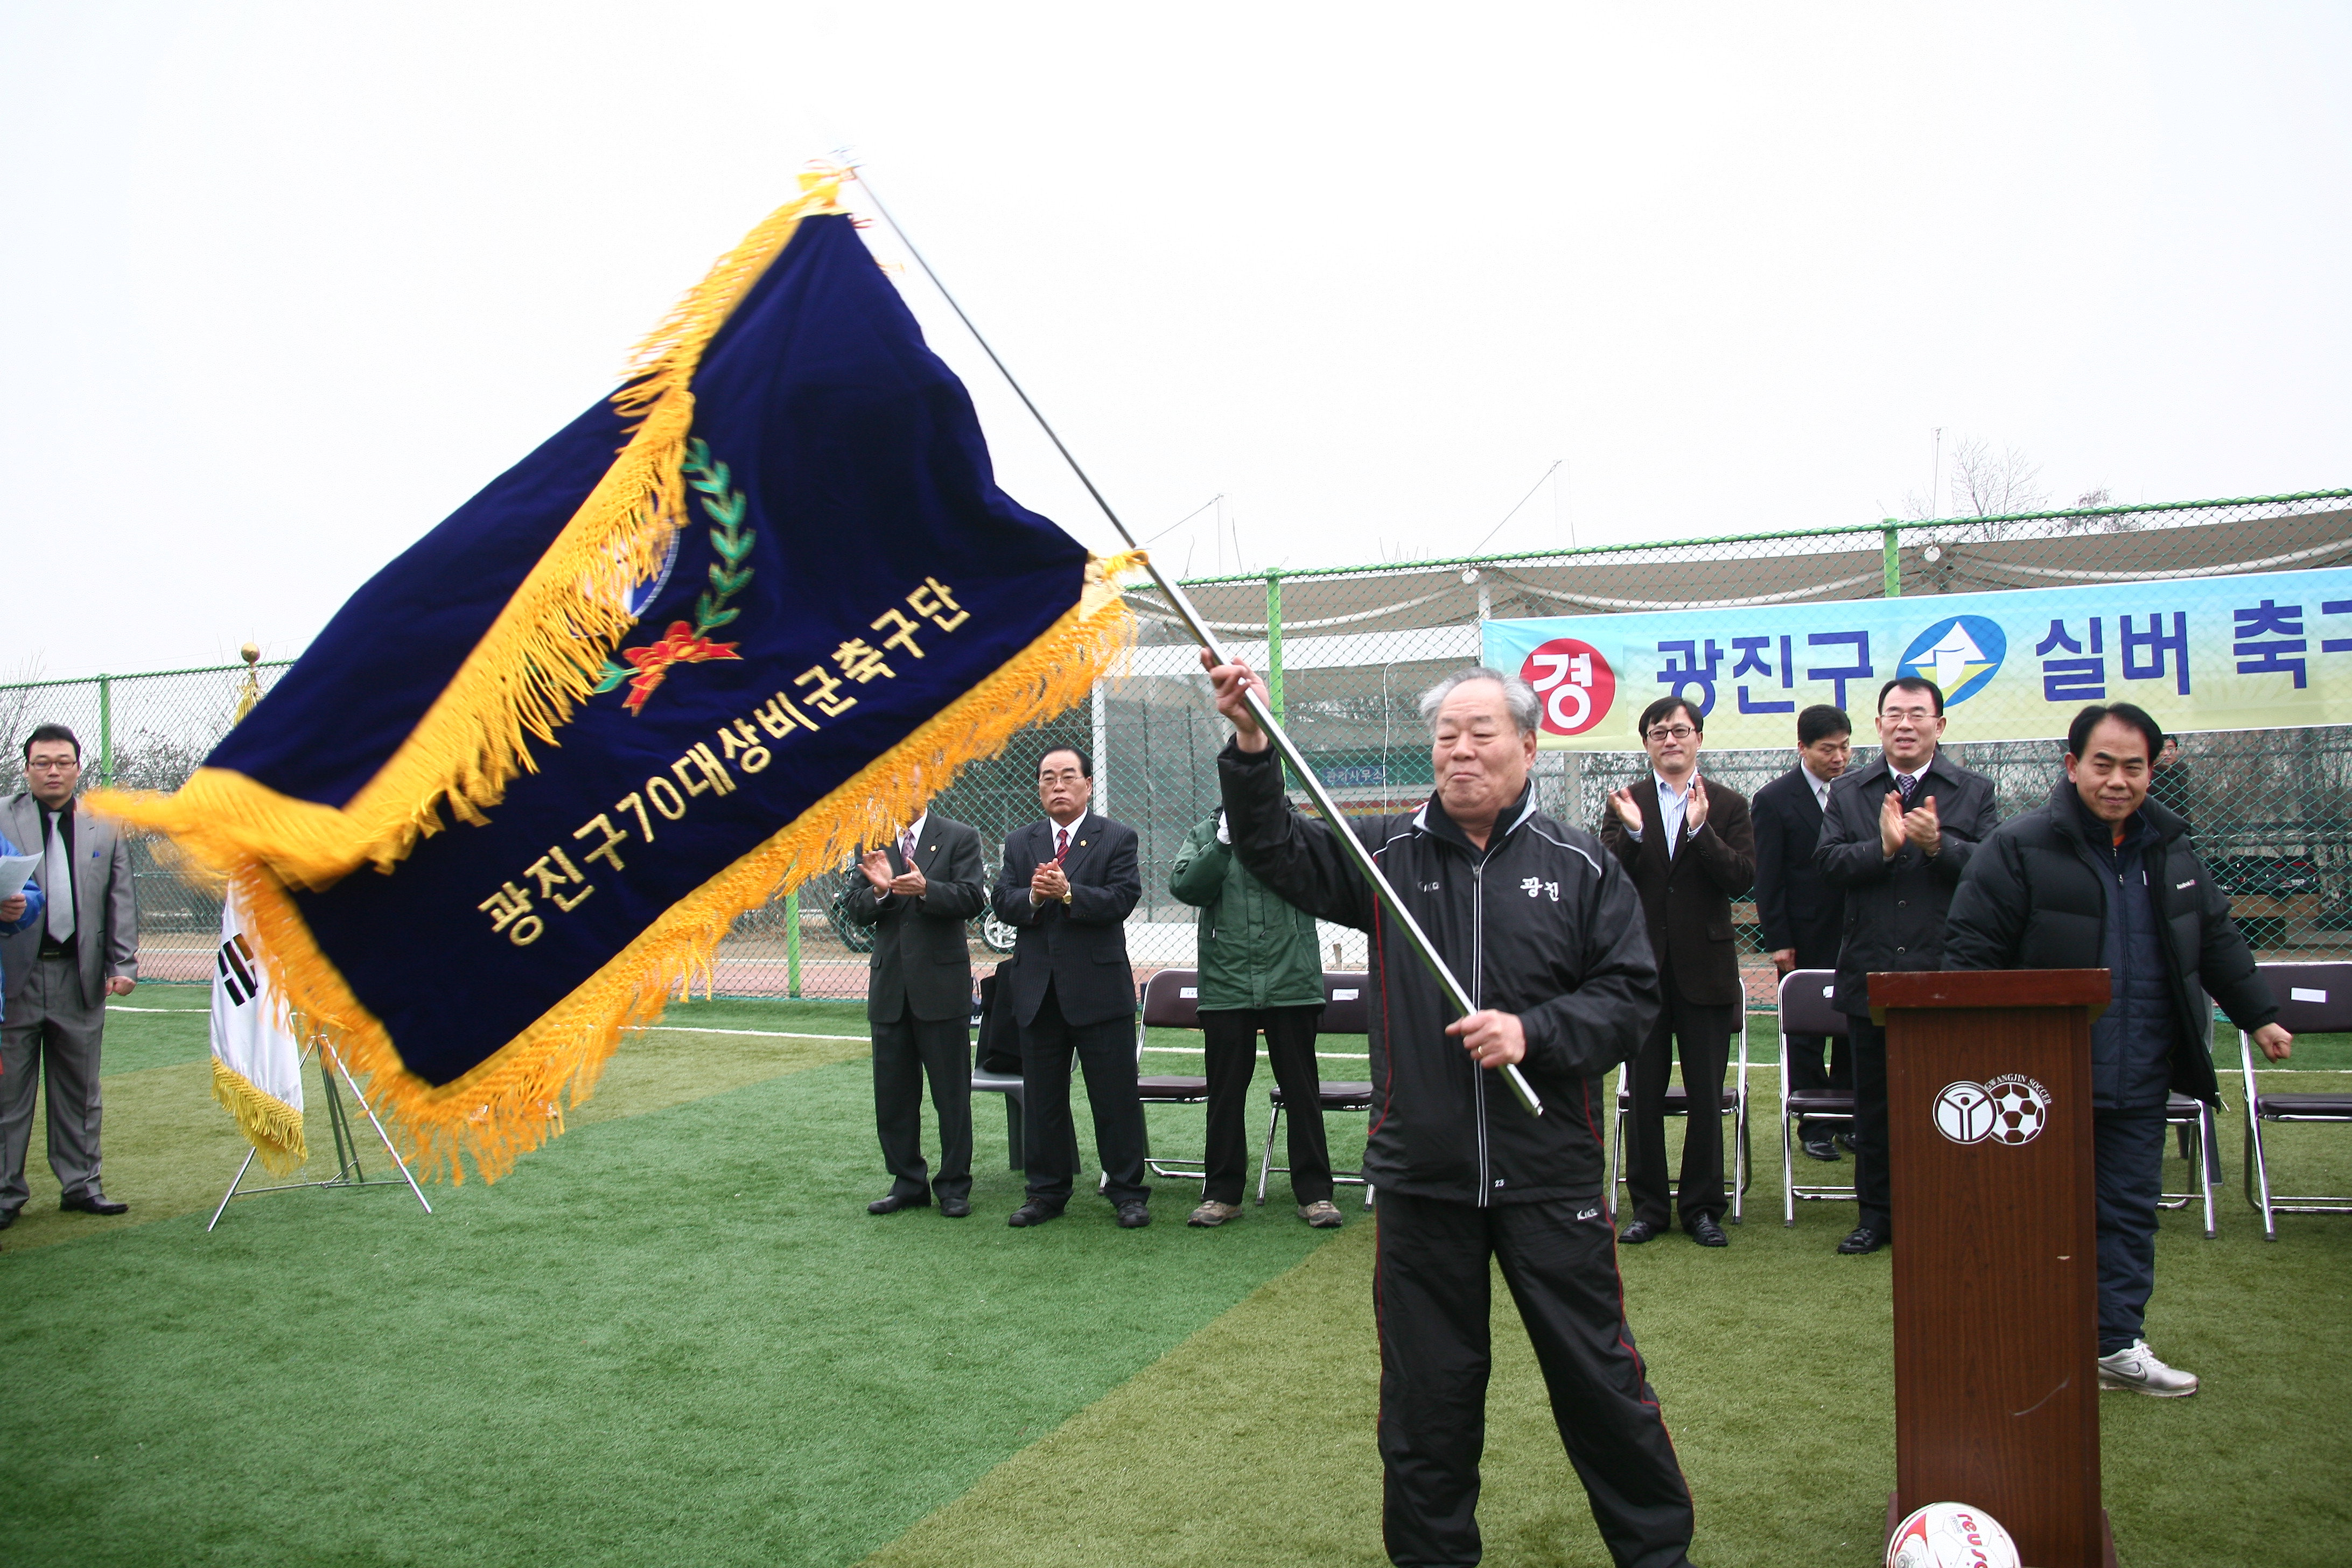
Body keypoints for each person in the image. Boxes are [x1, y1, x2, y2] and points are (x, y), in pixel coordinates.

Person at [1205, 654, 1695, 1568]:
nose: (1460, 752)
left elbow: (1630, 998)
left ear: (1528, 745)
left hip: (1547, 1175)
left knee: (1598, 1381)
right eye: (1445, 737)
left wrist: (1534, 1031)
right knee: (1427, 1398)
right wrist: (1247, 737)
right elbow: (1271, 844)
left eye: (1481, 734)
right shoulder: (1385, 857)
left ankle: (1658, 1553)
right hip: (1422, 1176)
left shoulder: (1581, 863)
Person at [1943, 703, 2288, 1397]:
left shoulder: (2174, 849)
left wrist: (2260, 1015)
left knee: (2129, 1210)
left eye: (2134, 766)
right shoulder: (2016, 846)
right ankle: (2028, 1340)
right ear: (2072, 767)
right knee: (2030, 1213)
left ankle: (2116, 1344)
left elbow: (2214, 937)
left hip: (2141, 1069)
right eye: (2102, 763)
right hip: (2035, 1083)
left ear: (2151, 771)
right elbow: (1969, 957)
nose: (2117, 779)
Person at [1812, 678, 1998, 1256]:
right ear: (1879, 725)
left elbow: (1994, 873)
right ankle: (1877, 1216)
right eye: (1894, 713)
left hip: (1945, 972)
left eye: (1918, 714)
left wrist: (1941, 844)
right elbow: (1828, 863)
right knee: (1875, 1106)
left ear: (1940, 725)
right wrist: (1885, 848)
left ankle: (1946, 1208)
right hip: (1872, 973)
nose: (1905, 724)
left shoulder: (1972, 790)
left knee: (1948, 1099)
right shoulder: (1850, 791)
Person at [1600, 697, 1755, 1248]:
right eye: (1659, 731)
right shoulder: (1624, 803)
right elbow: (1609, 880)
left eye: (1681, 730)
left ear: (1698, 738)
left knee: (1705, 1094)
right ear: (1646, 742)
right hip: (1640, 971)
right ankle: (1648, 1207)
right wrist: (1637, 835)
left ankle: (1703, 1206)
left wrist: (1701, 831)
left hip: (1705, 972)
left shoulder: (1729, 805)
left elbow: (1742, 878)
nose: (1671, 739)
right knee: (1642, 1093)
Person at [991, 746, 1150, 1230]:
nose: (1057, 786)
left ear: (1087, 784)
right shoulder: (1021, 842)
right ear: (1039, 788)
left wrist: (1069, 893)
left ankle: (1126, 1192)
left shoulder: (1117, 837)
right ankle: (1046, 1192)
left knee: (1114, 1096)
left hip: (1099, 990)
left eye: (1067, 777)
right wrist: (1034, 897)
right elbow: (1002, 899)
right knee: (1042, 1099)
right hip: (1038, 991)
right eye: (1047, 779)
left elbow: (1123, 898)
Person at [1168, 806, 1340, 1229]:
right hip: (1227, 982)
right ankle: (1221, 1194)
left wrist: (1284, 837)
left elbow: (1328, 882)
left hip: (1291, 979)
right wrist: (1223, 843)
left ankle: (1315, 1193)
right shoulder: (1206, 831)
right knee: (1226, 1092)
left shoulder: (1301, 830)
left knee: (1302, 1089)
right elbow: (1186, 886)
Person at [1, 724, 139, 1226]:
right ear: (27, 769)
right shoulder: (1, 815)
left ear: (78, 768)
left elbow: (120, 898)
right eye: (43, 762)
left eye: (63, 762)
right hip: (13, 979)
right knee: (7, 1094)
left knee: (80, 1090)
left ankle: (82, 1184)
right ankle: (4, 1194)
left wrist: (123, 964)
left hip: (78, 978)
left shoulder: (104, 822)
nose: (53, 770)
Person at [844, 805, 988, 1219]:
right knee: (893, 1097)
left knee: (952, 1097)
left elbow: (973, 897)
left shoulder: (960, 835)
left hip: (941, 989)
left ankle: (954, 1185)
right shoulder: (873, 840)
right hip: (890, 989)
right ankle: (907, 1182)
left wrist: (927, 888)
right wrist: (879, 891)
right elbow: (854, 907)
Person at [1750, 704, 1853, 1161]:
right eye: (1828, 749)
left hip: (1856, 932)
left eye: (1846, 747)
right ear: (1803, 749)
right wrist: (1779, 941)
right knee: (1806, 1034)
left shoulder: (1859, 792)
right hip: (1804, 935)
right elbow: (1769, 877)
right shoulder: (1774, 799)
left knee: (1856, 1026)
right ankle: (1814, 1125)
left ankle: (1852, 1119)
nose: (1839, 757)